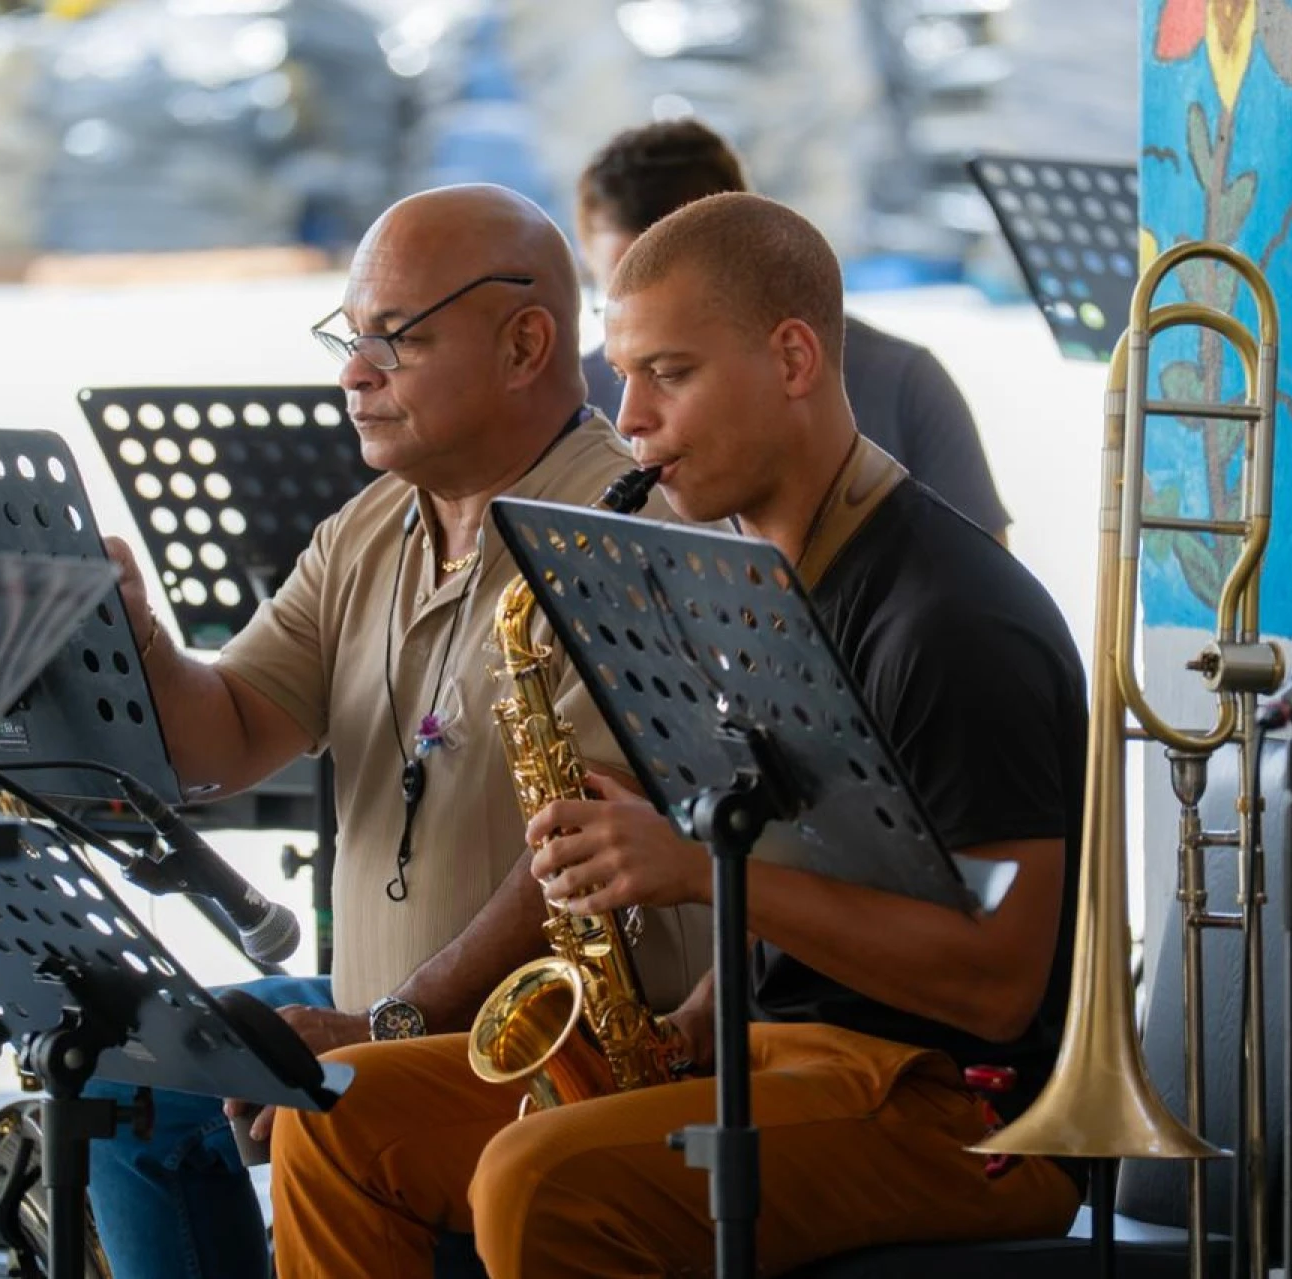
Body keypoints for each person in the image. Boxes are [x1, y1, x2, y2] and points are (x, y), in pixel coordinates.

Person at [269, 192, 1090, 1278]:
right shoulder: (750, 582)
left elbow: (997, 983)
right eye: (622, 375)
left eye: (670, 373)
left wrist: (700, 867)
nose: (633, 418)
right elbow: (813, 889)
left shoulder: (951, 622)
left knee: (537, 1173)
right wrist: (686, 1023)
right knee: (332, 1115)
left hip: (962, 1115)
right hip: (775, 1060)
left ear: (793, 358)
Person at [90, 184, 710, 1279]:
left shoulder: (625, 529)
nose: (352, 373)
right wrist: (135, 630)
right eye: (350, 336)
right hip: (379, 1015)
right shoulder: (372, 522)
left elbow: (583, 854)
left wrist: (382, 1024)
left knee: (308, 1097)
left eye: (397, 340)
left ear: (526, 344)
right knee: (117, 1060)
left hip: (542, 1052)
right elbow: (221, 738)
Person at [574, 118, 1014, 541]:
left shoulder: (904, 381)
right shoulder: (581, 403)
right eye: (616, 298)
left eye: (670, 370)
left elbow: (985, 573)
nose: (629, 421)